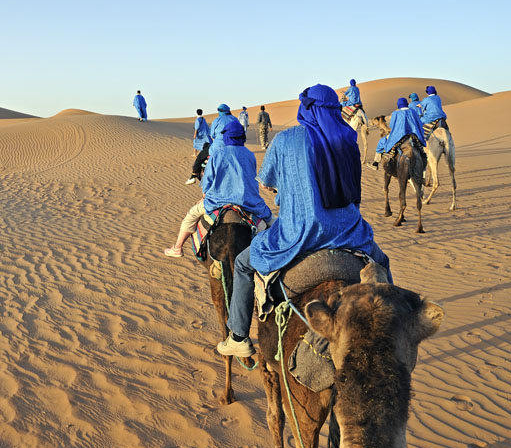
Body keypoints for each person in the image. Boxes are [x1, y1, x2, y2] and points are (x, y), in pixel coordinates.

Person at [216, 84, 391, 357]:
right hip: (349, 233)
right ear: (335, 109)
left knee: (241, 263)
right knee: (382, 263)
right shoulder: (347, 139)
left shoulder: (286, 140)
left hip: (297, 233)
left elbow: (266, 184)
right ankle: (388, 329)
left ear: (305, 108)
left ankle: (238, 335)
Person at [165, 120, 272, 257]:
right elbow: (252, 181)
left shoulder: (217, 154)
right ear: (242, 136)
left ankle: (177, 247)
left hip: (217, 201)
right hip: (248, 202)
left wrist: (204, 196)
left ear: (226, 136)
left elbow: (207, 180)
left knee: (191, 216)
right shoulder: (250, 155)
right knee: (272, 222)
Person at [185, 104, 238, 184]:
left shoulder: (217, 120)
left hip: (218, 147)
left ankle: (194, 175)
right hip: (235, 147)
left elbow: (212, 134)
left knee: (200, 158)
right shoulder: (235, 119)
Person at [371, 97, 427, 169]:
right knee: (421, 148)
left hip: (399, 136)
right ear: (407, 104)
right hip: (414, 135)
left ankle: (376, 162)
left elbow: (392, 125)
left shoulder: (396, 113)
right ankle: (423, 156)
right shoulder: (413, 112)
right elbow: (419, 123)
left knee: (381, 142)